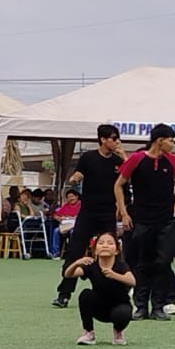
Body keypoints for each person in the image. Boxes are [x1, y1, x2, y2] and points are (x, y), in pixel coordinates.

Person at [117, 124, 175, 321]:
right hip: (142, 219)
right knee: (142, 263)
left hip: (166, 220)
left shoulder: (172, 160)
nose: (173, 144)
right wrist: (124, 212)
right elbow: (118, 185)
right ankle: (140, 306)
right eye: (171, 140)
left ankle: (158, 306)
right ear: (160, 140)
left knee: (162, 262)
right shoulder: (137, 158)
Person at [52, 125, 126, 308]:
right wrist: (74, 178)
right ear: (103, 139)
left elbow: (128, 179)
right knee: (75, 251)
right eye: (113, 138)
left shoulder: (118, 160)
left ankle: (116, 291)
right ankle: (64, 293)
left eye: (118, 138)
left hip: (108, 213)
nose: (117, 142)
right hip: (87, 213)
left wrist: (124, 158)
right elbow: (77, 175)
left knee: (111, 252)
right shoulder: (88, 157)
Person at [63, 232, 135, 345]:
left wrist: (114, 275)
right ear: (95, 250)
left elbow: (132, 281)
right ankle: (88, 332)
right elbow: (68, 275)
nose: (105, 245)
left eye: (110, 243)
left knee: (124, 312)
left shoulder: (121, 265)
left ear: (116, 250)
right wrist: (76, 263)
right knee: (85, 294)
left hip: (119, 306)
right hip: (99, 308)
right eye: (101, 243)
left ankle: (118, 332)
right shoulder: (92, 266)